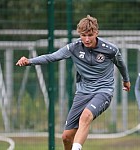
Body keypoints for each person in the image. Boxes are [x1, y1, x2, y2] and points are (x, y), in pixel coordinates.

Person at [16, 15, 131, 150]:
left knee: (86, 116)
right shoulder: (74, 48)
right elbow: (52, 57)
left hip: (103, 91)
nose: (87, 39)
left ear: (96, 33)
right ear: (79, 34)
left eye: (90, 35)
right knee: (66, 137)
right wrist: (29, 61)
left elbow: (121, 64)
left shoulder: (110, 49)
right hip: (82, 92)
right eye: (83, 35)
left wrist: (126, 80)